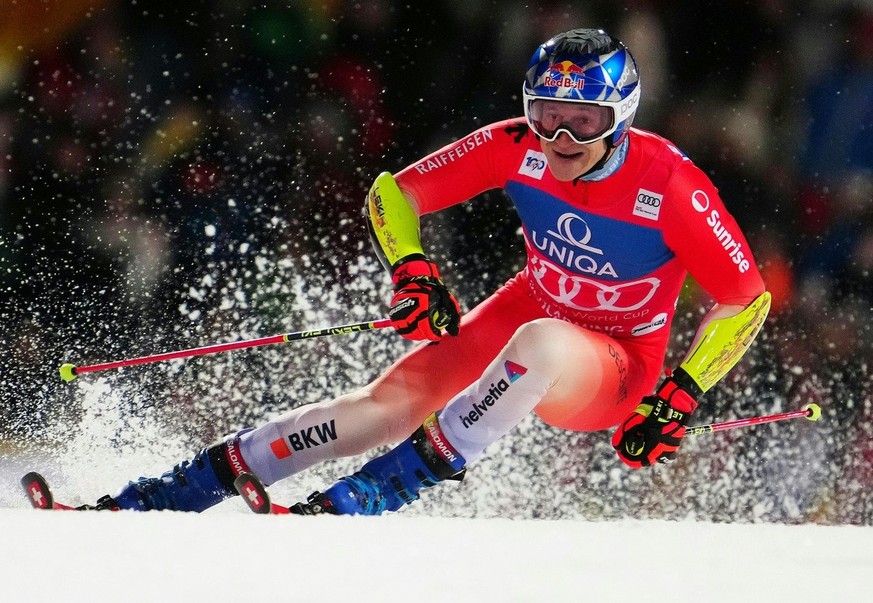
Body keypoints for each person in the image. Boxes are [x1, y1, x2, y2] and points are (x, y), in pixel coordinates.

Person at [84, 28, 770, 514]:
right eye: (546, 116)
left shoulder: (669, 184)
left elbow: (745, 298)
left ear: (619, 118)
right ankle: (183, 487)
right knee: (381, 408)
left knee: (540, 343)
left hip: (615, 363)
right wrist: (412, 271)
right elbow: (394, 193)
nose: (560, 139)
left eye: (582, 122)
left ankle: (389, 484)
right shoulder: (515, 145)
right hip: (528, 309)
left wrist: (682, 391)